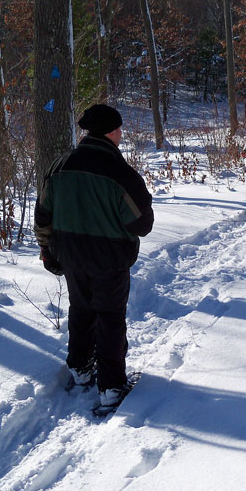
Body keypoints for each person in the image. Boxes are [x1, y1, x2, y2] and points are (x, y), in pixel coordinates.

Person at [34, 104, 154, 409]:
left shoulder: (59, 165)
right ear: (112, 132)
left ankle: (81, 368)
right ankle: (112, 386)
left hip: (71, 255)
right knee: (110, 317)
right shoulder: (120, 172)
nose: (121, 134)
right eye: (120, 130)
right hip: (109, 257)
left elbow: (43, 214)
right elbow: (142, 224)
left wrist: (47, 250)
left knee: (81, 310)